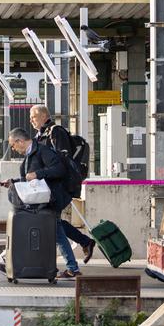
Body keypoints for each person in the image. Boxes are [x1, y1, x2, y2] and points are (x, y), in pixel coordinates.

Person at [0, 127, 82, 279]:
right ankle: (71, 268)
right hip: (41, 201)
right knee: (56, 233)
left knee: (44, 231)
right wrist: (13, 182)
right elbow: (29, 179)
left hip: (50, 200)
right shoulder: (30, 155)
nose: (13, 149)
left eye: (13, 145)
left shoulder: (42, 151)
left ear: (19, 141)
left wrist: (38, 174)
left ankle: (10, 261)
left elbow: (59, 170)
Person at [29, 104, 97, 263]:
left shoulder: (56, 132)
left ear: (44, 116)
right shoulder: (40, 136)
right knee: (52, 221)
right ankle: (84, 243)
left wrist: (42, 172)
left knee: (51, 222)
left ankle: (69, 265)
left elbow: (62, 160)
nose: (31, 120)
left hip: (60, 186)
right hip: (48, 186)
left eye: (34, 117)